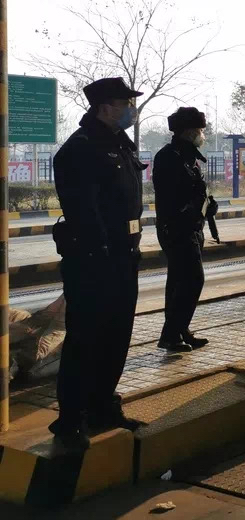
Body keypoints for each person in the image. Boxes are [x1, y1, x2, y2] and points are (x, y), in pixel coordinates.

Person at [50, 77, 145, 449]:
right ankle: (71, 420)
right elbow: (84, 211)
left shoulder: (119, 144)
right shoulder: (80, 149)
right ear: (106, 107)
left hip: (123, 257)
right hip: (93, 262)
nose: (131, 110)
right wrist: (101, 253)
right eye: (125, 104)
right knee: (85, 341)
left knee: (116, 337)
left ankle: (104, 407)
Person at [154, 107, 216, 353]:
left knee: (179, 281)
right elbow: (171, 196)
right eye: (200, 130)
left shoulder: (190, 156)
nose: (203, 135)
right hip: (176, 228)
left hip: (193, 227)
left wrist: (207, 206)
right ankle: (170, 334)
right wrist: (191, 207)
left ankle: (180, 329)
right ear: (189, 132)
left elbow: (195, 190)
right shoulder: (168, 157)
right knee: (192, 279)